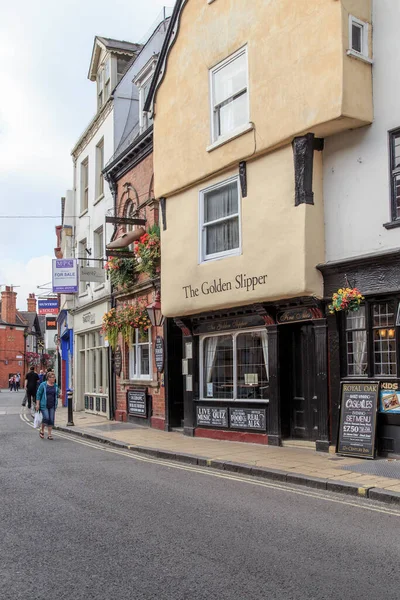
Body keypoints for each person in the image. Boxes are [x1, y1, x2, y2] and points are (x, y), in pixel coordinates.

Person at [36, 372, 60, 440]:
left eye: (54, 377)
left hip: (52, 404)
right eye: (53, 377)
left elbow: (57, 393)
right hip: (44, 405)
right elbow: (38, 394)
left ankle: (49, 434)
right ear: (49, 378)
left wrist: (59, 395)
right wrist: (37, 404)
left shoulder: (55, 386)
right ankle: (42, 429)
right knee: (46, 418)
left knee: (51, 419)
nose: (54, 379)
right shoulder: (43, 385)